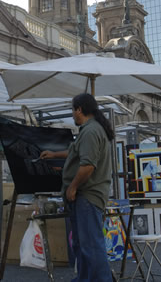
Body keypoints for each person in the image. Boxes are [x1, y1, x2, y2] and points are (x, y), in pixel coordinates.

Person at [40, 93, 113, 282]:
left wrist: (72, 187)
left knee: (91, 246)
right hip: (85, 197)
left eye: (73, 110)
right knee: (82, 245)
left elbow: (88, 165)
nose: (72, 114)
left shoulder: (90, 131)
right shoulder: (89, 130)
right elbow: (76, 152)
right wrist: (55, 154)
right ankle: (84, 279)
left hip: (87, 196)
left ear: (79, 109)